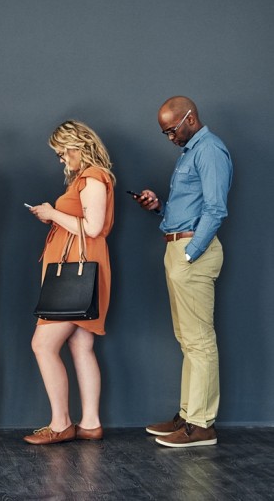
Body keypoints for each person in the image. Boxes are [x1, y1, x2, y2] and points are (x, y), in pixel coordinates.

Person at [133, 96, 232, 448]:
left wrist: (190, 253)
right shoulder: (190, 152)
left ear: (190, 118)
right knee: (187, 339)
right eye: (165, 133)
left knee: (199, 340)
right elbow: (188, 209)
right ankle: (189, 415)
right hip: (177, 248)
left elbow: (216, 209)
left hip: (193, 253)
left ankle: (202, 425)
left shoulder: (210, 150)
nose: (170, 137)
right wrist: (158, 206)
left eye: (172, 130)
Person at [24, 121, 115, 445]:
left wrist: (52, 214)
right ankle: (90, 423)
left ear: (79, 146)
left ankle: (61, 423)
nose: (62, 159)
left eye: (63, 153)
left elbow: (92, 227)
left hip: (77, 274)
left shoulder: (93, 178)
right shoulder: (85, 178)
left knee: (43, 345)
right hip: (79, 272)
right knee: (80, 345)